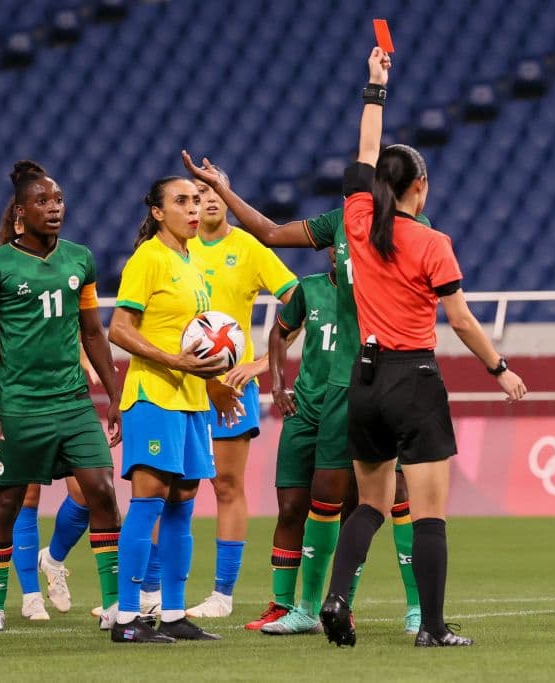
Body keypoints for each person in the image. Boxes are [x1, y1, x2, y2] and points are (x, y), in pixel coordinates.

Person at [317, 47, 527, 648]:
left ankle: (337, 598)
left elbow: (363, 153)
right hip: (413, 378)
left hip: (363, 381)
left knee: (369, 506)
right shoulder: (433, 242)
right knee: (429, 513)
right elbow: (458, 319)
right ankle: (432, 628)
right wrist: (500, 369)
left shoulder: (357, 221)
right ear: (422, 187)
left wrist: (374, 88)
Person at [181, 163, 426, 635]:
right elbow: (271, 234)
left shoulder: (410, 230)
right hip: (327, 394)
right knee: (319, 499)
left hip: (386, 379)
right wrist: (223, 190)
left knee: (394, 495)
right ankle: (307, 608)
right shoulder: (334, 232)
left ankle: (414, 608)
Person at [0, 160, 124, 633]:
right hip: (19, 406)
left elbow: (93, 334)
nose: (54, 208)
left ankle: (114, 604)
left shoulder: (81, 258)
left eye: (57, 200)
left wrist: (115, 393)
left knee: (102, 491)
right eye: (42, 201)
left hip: (74, 403)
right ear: (20, 211)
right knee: (7, 504)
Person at [107, 176, 240, 643]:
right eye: (181, 201)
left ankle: (173, 613)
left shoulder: (192, 262)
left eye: (197, 200)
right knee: (149, 502)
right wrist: (173, 362)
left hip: (191, 400)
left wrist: (216, 385)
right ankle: (126, 619)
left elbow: (195, 341)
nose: (193, 207)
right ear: (159, 212)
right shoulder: (149, 258)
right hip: (153, 396)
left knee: (183, 504)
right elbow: (118, 329)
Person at [180, 169, 299, 619]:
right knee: (175, 488)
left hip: (231, 388)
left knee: (227, 486)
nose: (207, 200)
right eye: (197, 194)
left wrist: (260, 364)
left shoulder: (248, 248)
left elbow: (300, 301)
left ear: (228, 198)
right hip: (182, 384)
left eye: (214, 191)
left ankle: (222, 596)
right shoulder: (177, 249)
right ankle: (151, 590)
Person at [0, 197, 99, 622]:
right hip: (21, 397)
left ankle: (52, 559)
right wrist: (24, 354)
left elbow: (76, 329)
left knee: (86, 492)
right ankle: (30, 595)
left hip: (65, 397)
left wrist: (85, 361)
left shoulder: (67, 266)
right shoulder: (4, 273)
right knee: (25, 495)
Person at [253, 250, 337, 635]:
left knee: (340, 509)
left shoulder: (371, 291)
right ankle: (281, 604)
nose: (341, 252)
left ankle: (339, 603)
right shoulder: (311, 289)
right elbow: (279, 332)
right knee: (290, 508)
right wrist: (277, 382)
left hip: (346, 413)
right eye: (335, 245)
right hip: (303, 411)